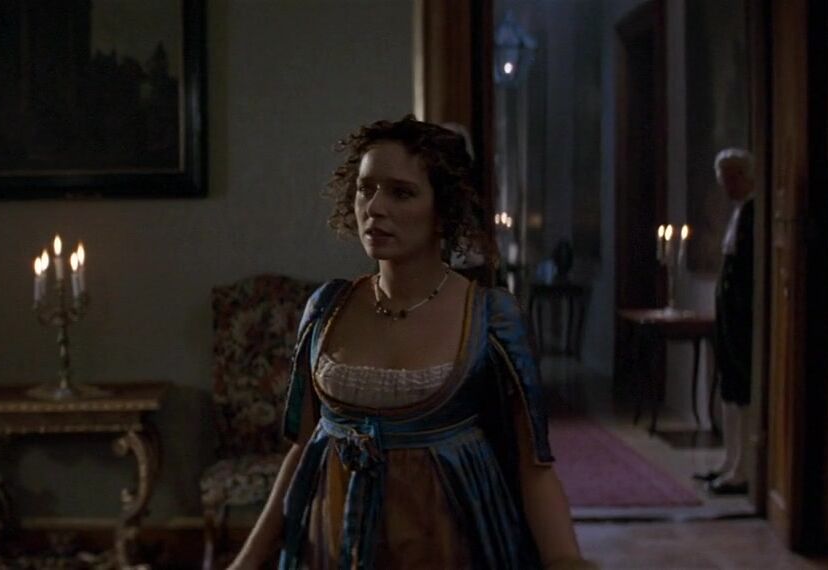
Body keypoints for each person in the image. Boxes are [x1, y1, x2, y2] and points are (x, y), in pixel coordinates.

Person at [228, 116, 588, 569]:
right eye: (366, 189)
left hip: (445, 544)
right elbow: (303, 450)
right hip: (333, 547)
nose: (375, 207)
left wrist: (564, 560)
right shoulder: (328, 308)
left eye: (401, 193)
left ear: (444, 210)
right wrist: (245, 562)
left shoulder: (491, 318)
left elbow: (534, 467)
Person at [695, 148, 756, 495]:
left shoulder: (754, 212)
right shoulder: (739, 212)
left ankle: (743, 468)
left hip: (744, 316)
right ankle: (730, 460)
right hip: (731, 314)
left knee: (742, 391)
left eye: (730, 179)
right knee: (730, 389)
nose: (726, 187)